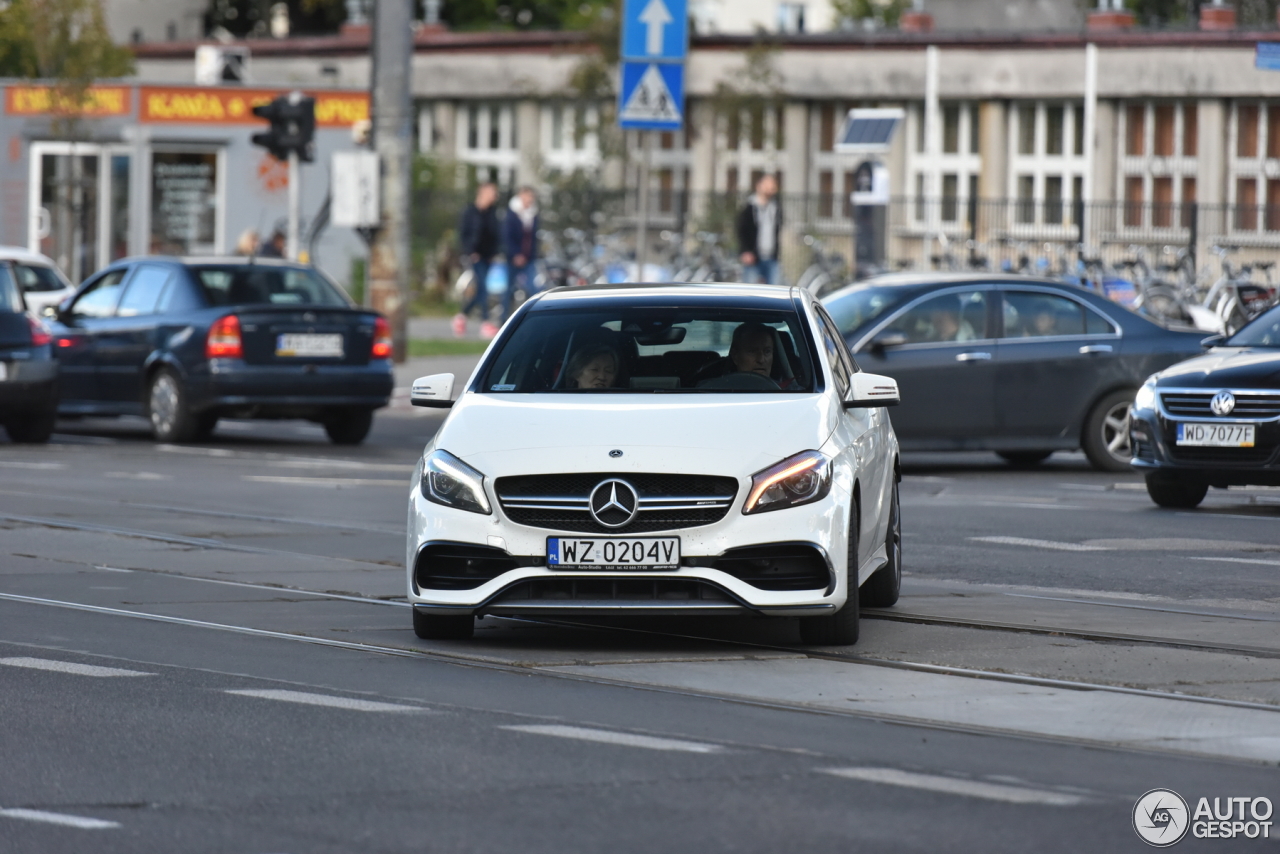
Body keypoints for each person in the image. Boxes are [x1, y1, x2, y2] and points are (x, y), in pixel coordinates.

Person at [453, 182, 501, 338]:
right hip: (474, 256)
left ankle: (461, 316)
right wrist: (469, 251)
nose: (495, 196)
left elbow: (496, 235)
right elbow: (464, 234)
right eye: (492, 193)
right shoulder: (470, 212)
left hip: (488, 256)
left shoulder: (492, 213)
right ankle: (486, 322)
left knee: (481, 289)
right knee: (483, 287)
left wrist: (495, 252)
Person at [736, 174, 782, 285]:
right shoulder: (750, 207)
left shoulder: (775, 208)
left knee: (774, 292)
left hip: (771, 256)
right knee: (751, 292)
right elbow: (741, 230)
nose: (770, 188)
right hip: (753, 257)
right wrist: (745, 251)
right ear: (759, 186)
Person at [503, 186, 540, 323]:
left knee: (533, 287)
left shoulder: (533, 215)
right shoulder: (512, 214)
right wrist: (516, 254)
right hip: (513, 258)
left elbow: (533, 238)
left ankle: (534, 317)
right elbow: (508, 237)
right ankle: (504, 318)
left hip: (529, 258)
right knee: (509, 288)